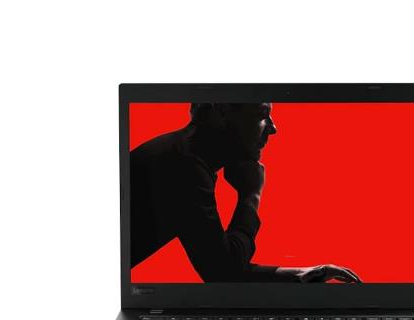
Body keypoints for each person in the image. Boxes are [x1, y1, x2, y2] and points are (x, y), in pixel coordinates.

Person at [130, 102, 361, 283]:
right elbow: (224, 273)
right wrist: (251, 196)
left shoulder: (183, 156)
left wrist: (301, 274)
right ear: (221, 111)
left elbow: (221, 264)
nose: (273, 128)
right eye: (263, 114)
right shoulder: (184, 168)